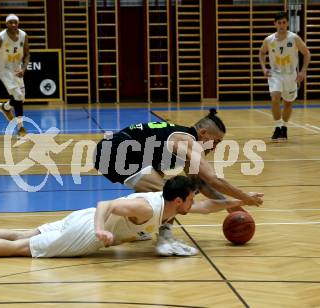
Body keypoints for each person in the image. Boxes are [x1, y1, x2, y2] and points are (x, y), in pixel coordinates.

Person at [0, 176, 262, 258]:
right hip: (87, 230)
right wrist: (101, 231)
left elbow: (205, 208)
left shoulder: (167, 202)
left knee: (23, 230)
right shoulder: (148, 209)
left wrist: (240, 202)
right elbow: (107, 205)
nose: (196, 201)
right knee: (23, 247)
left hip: (82, 219)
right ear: (179, 199)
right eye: (192, 197)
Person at [93, 109, 264, 256]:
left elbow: (202, 184)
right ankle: (165, 240)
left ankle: (139, 227)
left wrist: (228, 204)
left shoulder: (184, 142)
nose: (215, 147)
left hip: (115, 151)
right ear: (203, 133)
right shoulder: (189, 141)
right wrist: (245, 198)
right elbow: (214, 179)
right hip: (115, 152)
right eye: (216, 141)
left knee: (169, 188)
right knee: (171, 194)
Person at [259, 11, 310, 142]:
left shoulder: (294, 38)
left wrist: (302, 71)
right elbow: (261, 53)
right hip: (275, 74)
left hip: (290, 75)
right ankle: (277, 127)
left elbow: (307, 53)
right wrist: (264, 68)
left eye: (284, 22)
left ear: (287, 23)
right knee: (275, 97)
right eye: (279, 23)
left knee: (288, 103)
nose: (282, 25)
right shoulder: (269, 40)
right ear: (275, 24)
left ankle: (284, 127)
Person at [0, 14, 30, 138]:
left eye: (15, 22)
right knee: (18, 96)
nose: (13, 24)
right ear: (6, 24)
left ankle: (5, 107)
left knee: (21, 99)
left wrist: (24, 69)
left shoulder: (23, 36)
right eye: (10, 22)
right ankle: (21, 129)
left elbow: (27, 54)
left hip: (17, 68)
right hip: (3, 69)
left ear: (18, 23)